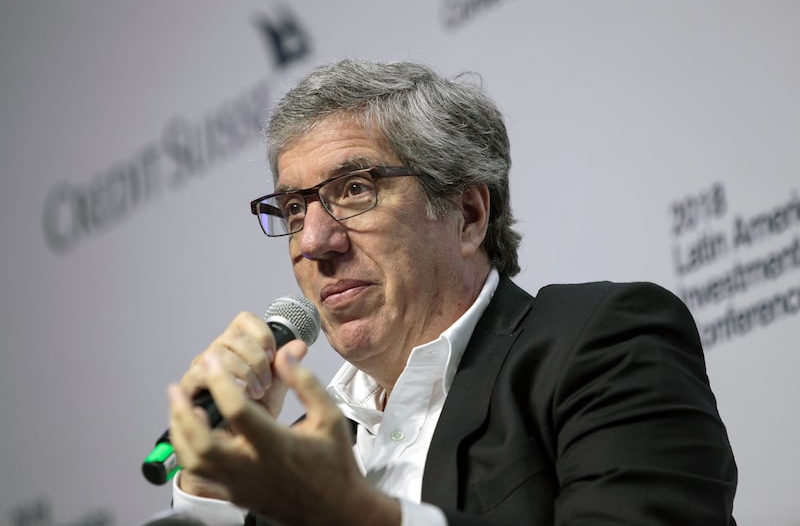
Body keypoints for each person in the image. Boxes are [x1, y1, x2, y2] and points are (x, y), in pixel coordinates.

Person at [166, 59, 737, 525]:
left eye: (356, 189)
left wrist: (360, 516)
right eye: (294, 209)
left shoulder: (600, 344)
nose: (314, 241)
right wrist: (212, 486)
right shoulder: (302, 467)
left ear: (467, 213)